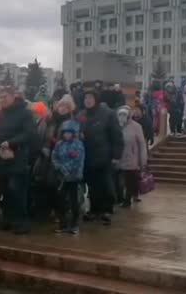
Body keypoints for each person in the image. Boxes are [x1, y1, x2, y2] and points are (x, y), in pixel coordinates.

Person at [0, 87, 36, 234]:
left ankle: (22, 222)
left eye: (5, 97)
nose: (2, 99)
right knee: (5, 191)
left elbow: (29, 133)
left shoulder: (25, 113)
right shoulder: (1, 114)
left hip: (18, 158)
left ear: (13, 97)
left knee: (17, 190)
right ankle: (8, 219)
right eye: (0, 97)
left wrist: (11, 143)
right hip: (2, 157)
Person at [80, 90, 124, 225]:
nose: (87, 100)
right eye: (85, 98)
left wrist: (116, 155)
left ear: (96, 99)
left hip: (104, 156)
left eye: (90, 97)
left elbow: (116, 136)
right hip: (87, 156)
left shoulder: (108, 114)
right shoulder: (81, 115)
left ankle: (107, 210)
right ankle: (94, 210)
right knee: (92, 186)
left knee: (106, 184)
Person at [51, 120, 84, 234]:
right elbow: (54, 156)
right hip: (61, 177)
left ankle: (75, 224)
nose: (67, 135)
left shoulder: (78, 144)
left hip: (73, 177)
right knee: (60, 200)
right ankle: (63, 223)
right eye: (65, 133)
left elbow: (77, 160)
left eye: (69, 133)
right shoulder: (59, 144)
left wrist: (66, 169)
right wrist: (59, 167)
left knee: (74, 201)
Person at [117, 105, 147, 207]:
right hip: (118, 158)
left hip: (131, 159)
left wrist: (143, 161)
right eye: (120, 114)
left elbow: (142, 144)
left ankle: (128, 199)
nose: (122, 116)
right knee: (120, 181)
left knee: (130, 181)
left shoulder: (136, 127)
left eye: (124, 114)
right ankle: (120, 198)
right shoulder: (116, 126)